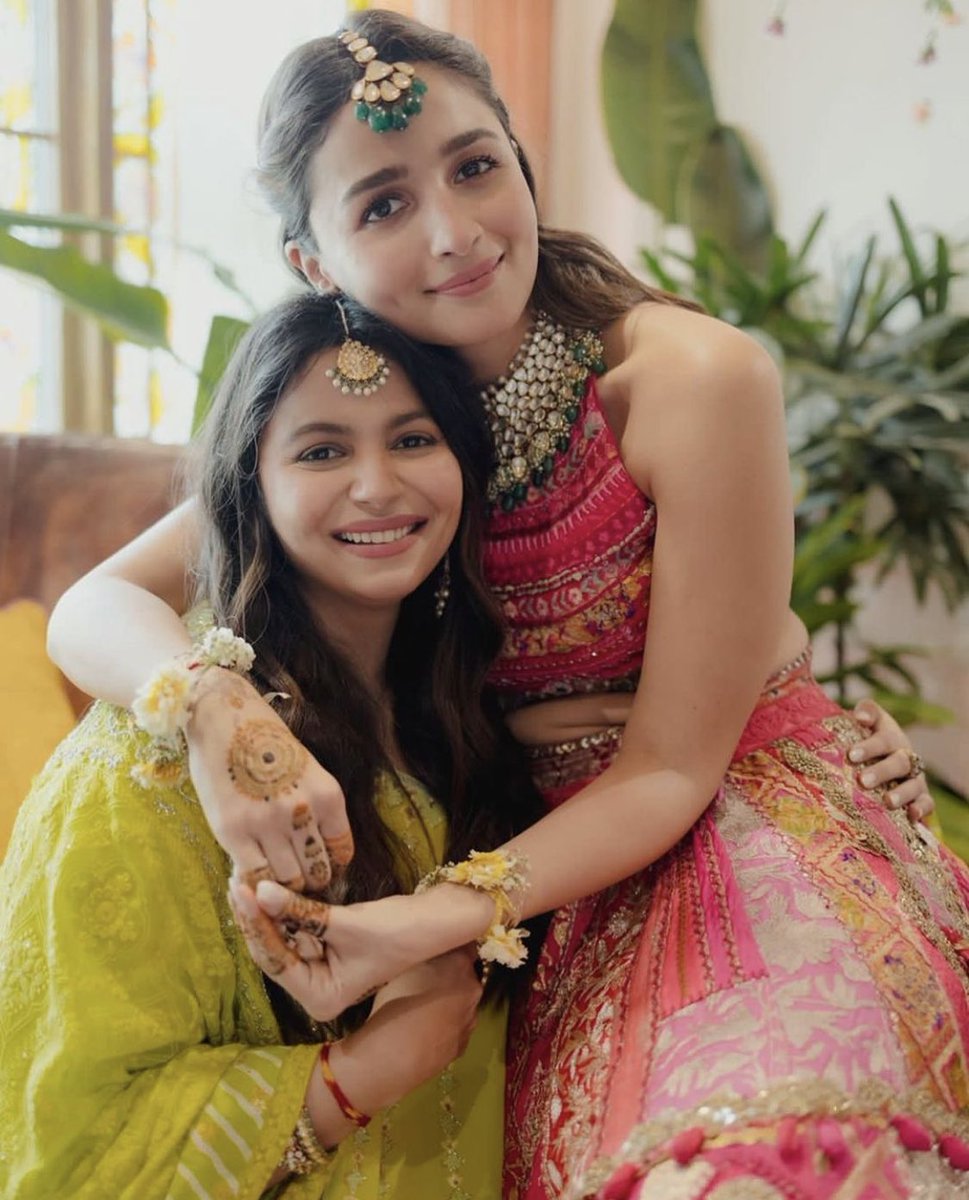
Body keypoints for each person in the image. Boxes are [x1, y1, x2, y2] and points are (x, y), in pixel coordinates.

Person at [44, 12, 959, 1198]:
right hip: (531, 888)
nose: (457, 232)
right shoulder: (364, 427)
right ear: (312, 263)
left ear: (522, 162)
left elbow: (672, 770)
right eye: (381, 204)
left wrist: (426, 921)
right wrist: (218, 712)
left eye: (476, 168)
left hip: (735, 828)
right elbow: (92, 603)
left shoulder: (688, 379)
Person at [0, 291, 544, 1200]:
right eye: (322, 450)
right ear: (249, 483)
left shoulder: (470, 699)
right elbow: (75, 1148)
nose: (377, 485)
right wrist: (356, 1077)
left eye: (413, 440)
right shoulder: (162, 763)